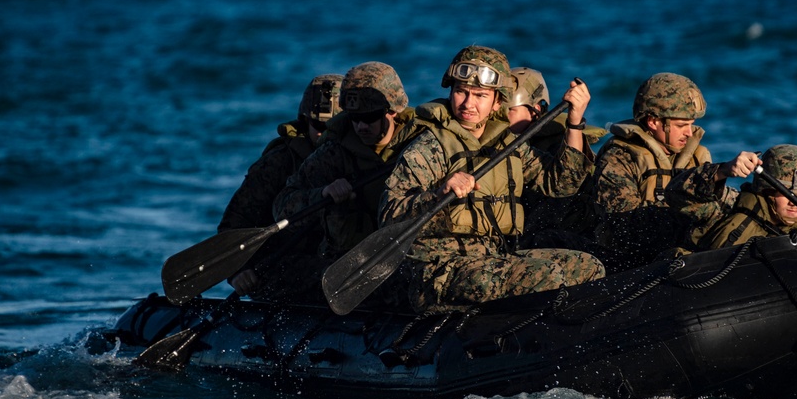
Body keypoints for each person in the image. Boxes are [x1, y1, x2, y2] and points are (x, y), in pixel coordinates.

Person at [378, 45, 605, 314]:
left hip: (492, 258)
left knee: (588, 267)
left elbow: (561, 184)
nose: (468, 104)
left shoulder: (507, 144)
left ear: (497, 101)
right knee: (547, 276)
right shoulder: (429, 146)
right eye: (461, 92)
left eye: (480, 96)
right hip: (440, 271)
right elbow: (389, 215)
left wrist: (575, 121)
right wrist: (438, 194)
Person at [255, 61, 426, 302]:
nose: (361, 126)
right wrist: (323, 194)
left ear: (393, 110)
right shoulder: (334, 152)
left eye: (369, 117)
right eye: (355, 118)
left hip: (404, 261)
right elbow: (283, 206)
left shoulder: (422, 146)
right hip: (346, 265)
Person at [588, 72, 760, 267]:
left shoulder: (695, 155)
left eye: (691, 125)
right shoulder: (619, 157)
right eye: (681, 125)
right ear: (653, 122)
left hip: (684, 254)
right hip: (630, 262)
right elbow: (623, 226)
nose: (689, 133)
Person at [218, 73, 343, 233]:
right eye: (319, 126)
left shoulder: (354, 155)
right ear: (306, 122)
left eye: (331, 127)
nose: (324, 134)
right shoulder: (279, 162)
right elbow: (234, 225)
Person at [689, 144, 797, 251]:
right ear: (767, 192)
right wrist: (722, 171)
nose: (794, 202)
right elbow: (681, 195)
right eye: (787, 193)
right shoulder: (726, 209)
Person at [503, 67, 607, 238]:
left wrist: (574, 124)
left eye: (510, 110)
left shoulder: (558, 144)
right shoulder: (497, 139)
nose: (501, 116)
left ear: (535, 110)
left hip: (558, 233)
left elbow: (566, 183)